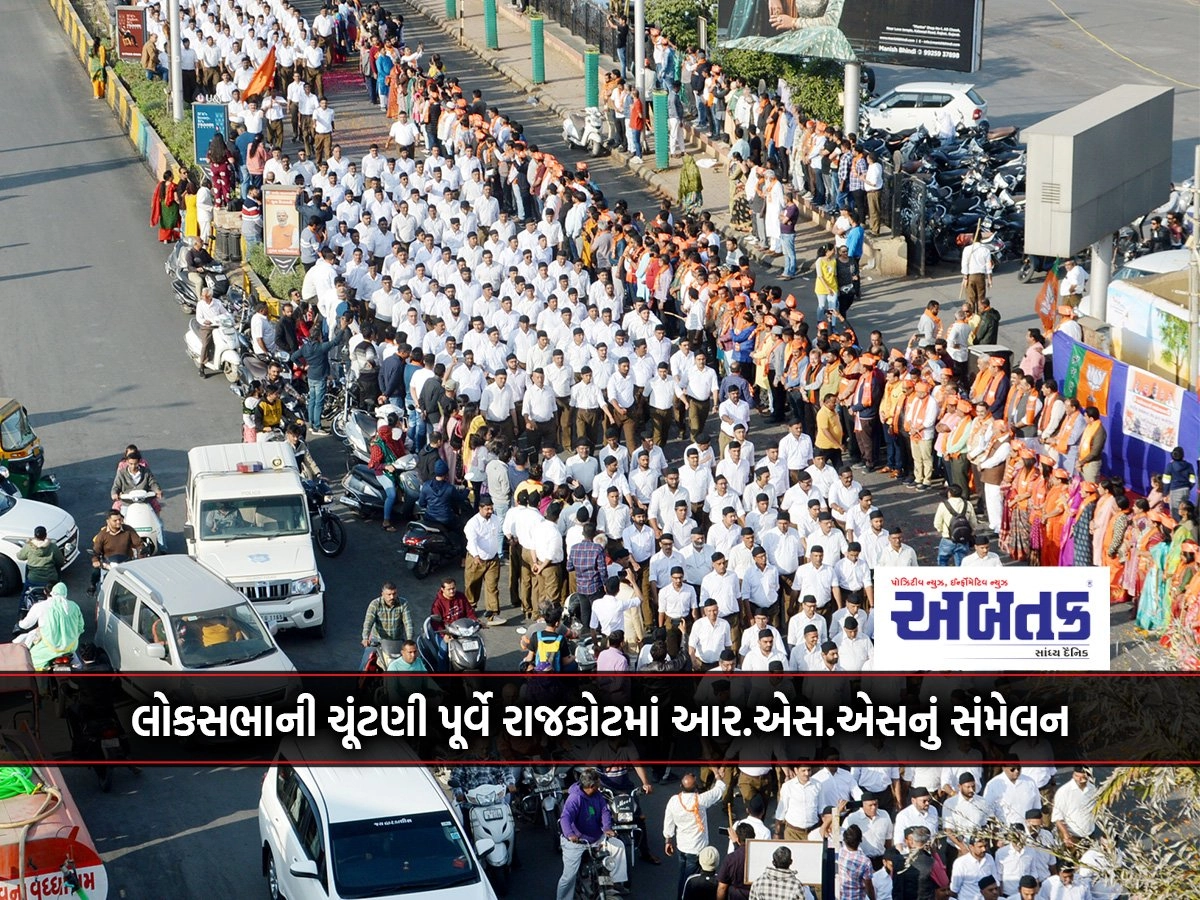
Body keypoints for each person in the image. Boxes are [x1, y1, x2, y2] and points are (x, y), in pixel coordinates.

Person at [557, 767, 629, 900]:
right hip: (577, 841)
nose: (600, 784)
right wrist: (570, 834)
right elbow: (565, 817)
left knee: (618, 845)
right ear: (591, 786)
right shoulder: (575, 798)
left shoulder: (597, 795)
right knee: (569, 877)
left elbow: (604, 811)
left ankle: (614, 883)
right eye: (598, 783)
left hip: (596, 837)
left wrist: (607, 828)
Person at [664, 768, 729, 899]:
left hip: (681, 847)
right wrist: (717, 775)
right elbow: (719, 790)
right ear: (696, 788)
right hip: (696, 850)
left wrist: (668, 840)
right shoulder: (701, 800)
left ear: (681, 786)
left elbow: (668, 822)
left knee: (682, 876)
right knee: (689, 881)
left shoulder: (674, 800)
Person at [17, 583, 86, 669]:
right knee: (78, 665)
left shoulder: (44, 607)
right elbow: (81, 627)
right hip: (71, 646)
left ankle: (39, 681)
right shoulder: (74, 606)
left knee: (33, 659)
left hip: (50, 648)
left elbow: (28, 625)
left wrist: (22, 624)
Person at [88, 510, 143, 595]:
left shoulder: (128, 530)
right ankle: (93, 585)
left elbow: (139, 544)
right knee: (96, 572)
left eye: (120, 520)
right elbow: (96, 550)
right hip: (109, 564)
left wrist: (141, 553)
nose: (118, 522)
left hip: (127, 562)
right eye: (115, 520)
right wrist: (95, 560)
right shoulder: (102, 535)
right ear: (108, 521)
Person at [360, 582, 414, 667]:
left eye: (394, 594)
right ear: (383, 594)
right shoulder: (375, 604)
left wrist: (409, 640)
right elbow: (368, 622)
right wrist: (365, 638)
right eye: (389, 594)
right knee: (365, 663)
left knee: (411, 661)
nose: (392, 597)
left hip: (397, 641)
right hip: (378, 641)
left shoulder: (403, 603)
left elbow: (408, 623)